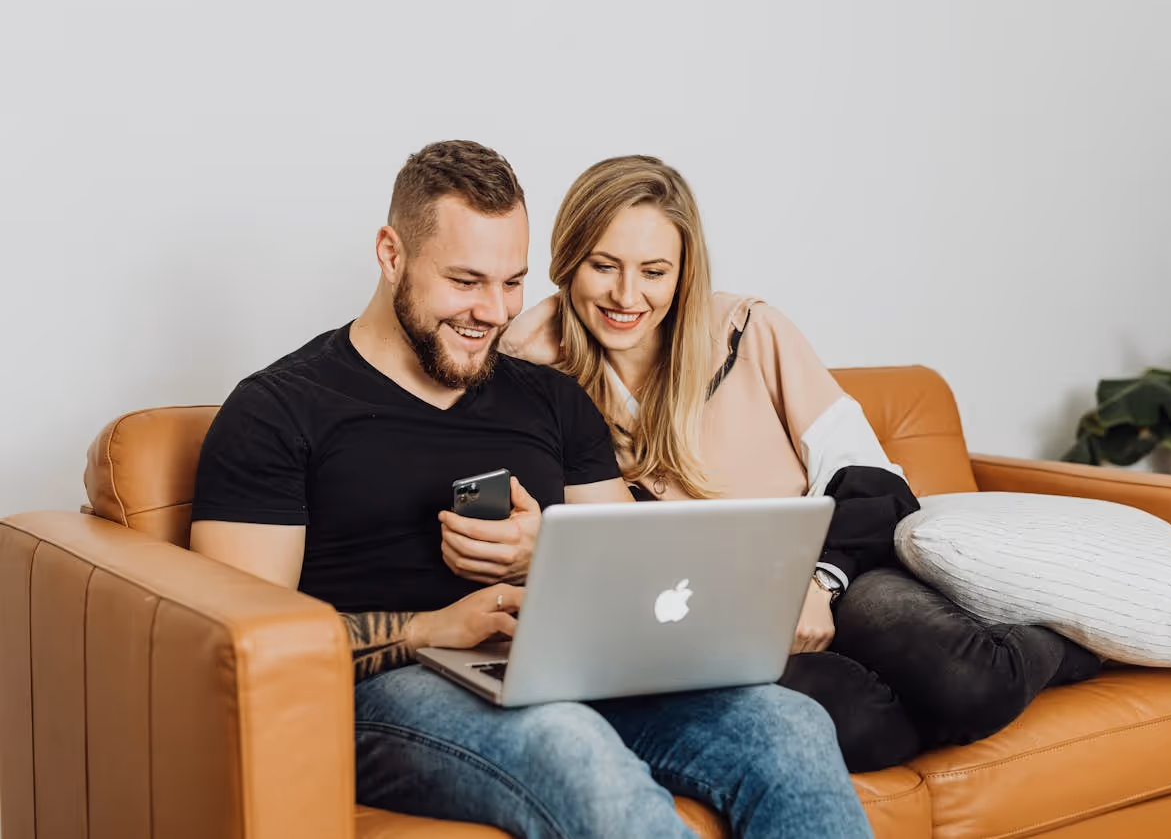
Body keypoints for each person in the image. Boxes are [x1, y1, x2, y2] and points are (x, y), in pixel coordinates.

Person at [189, 140, 874, 839]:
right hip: (385, 690)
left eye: (512, 282)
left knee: (788, 726)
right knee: (570, 745)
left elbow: (633, 573)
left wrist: (544, 555)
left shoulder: (551, 398)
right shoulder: (279, 410)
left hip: (560, 668)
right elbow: (236, 642)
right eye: (466, 281)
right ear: (392, 254)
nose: (493, 312)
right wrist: (430, 628)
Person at [501, 154, 1102, 771]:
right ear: (567, 262)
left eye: (654, 271)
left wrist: (819, 584)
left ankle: (1066, 647)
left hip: (838, 574)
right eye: (603, 266)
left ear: (683, 274)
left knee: (970, 685)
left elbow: (871, 480)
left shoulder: (749, 331)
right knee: (862, 729)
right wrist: (519, 340)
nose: (627, 296)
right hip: (716, 623)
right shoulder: (537, 378)